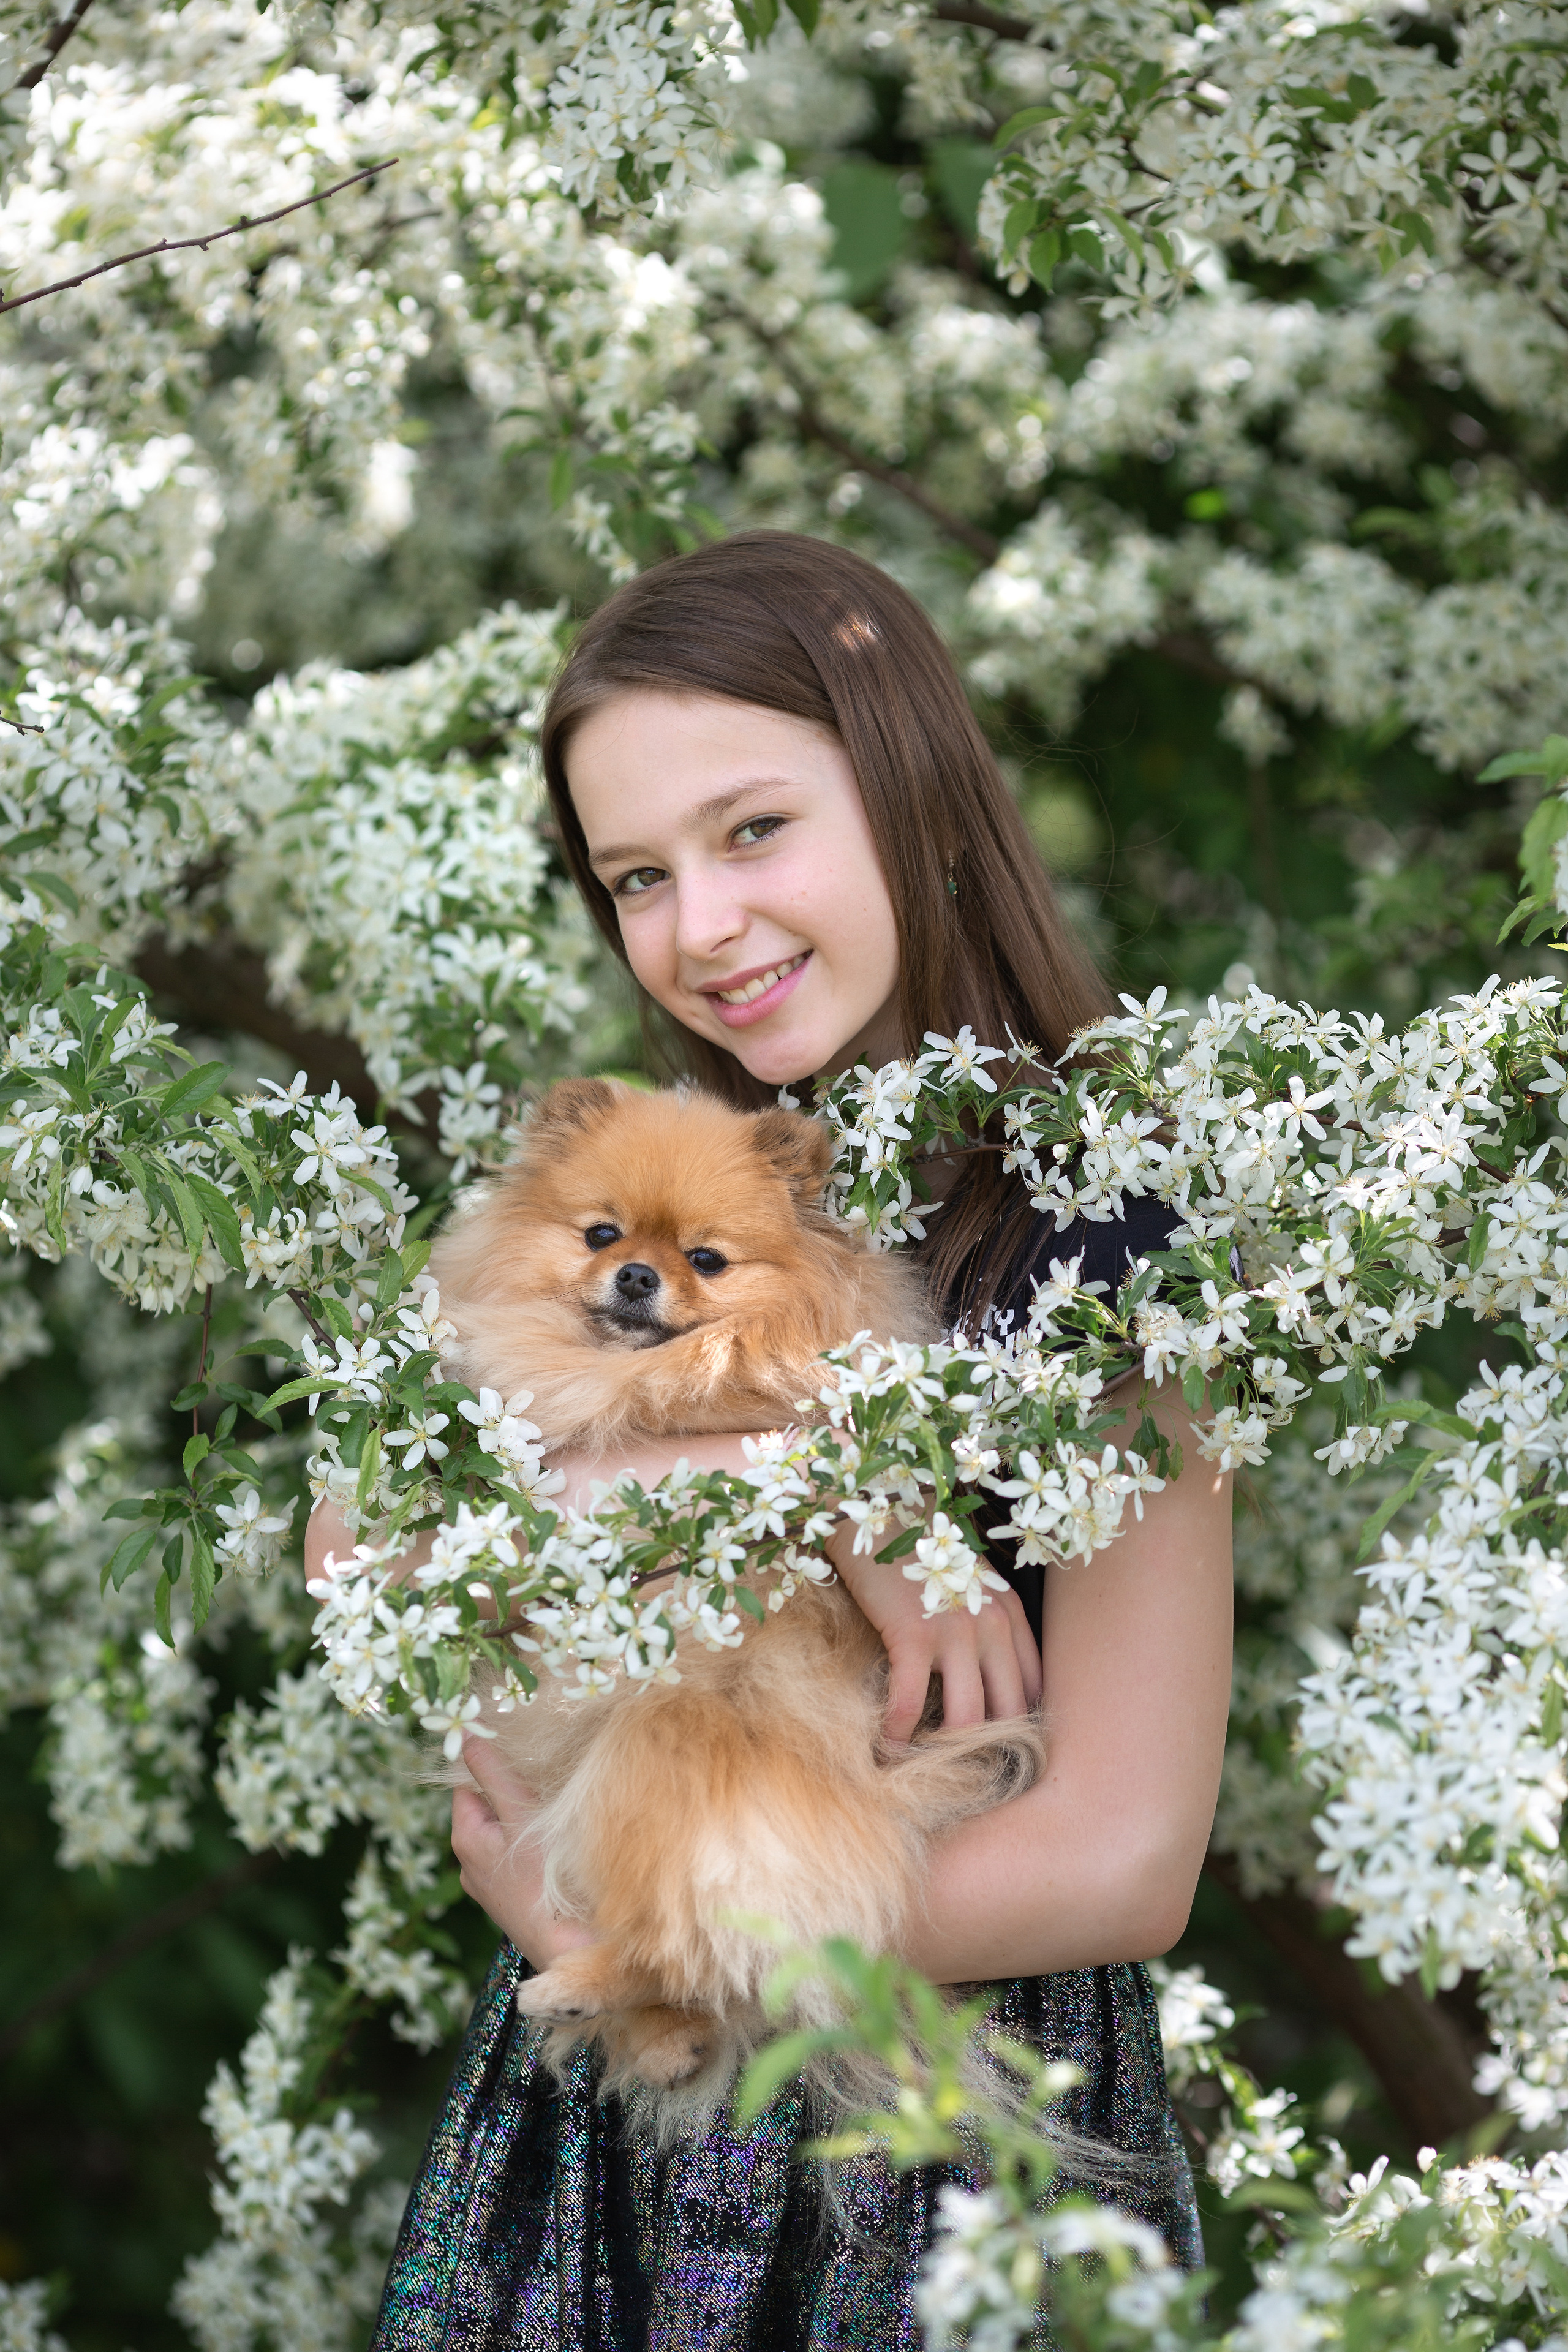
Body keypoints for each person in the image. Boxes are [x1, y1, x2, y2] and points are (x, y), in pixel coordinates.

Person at [307, 532, 1234, 2349]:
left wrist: (650, 1951)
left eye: (751, 833)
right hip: (591, 2143)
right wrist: (832, 1497)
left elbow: (1127, 1856)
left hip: (937, 2140)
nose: (700, 928)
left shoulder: (1110, 1241)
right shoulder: (638, 1180)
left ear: (917, 796)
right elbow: (365, 1551)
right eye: (636, 876)